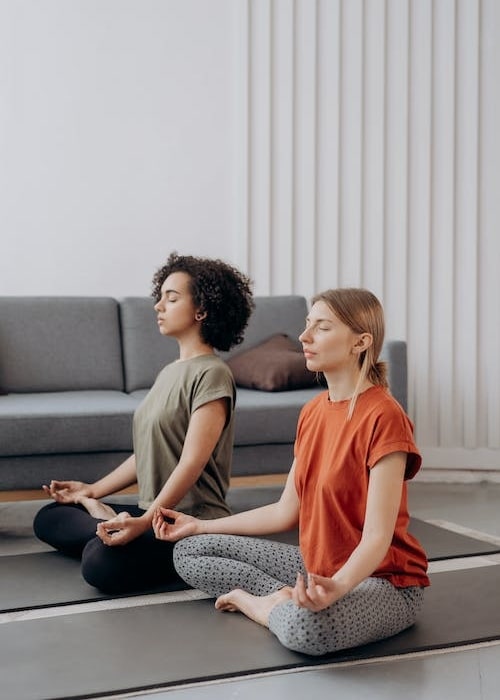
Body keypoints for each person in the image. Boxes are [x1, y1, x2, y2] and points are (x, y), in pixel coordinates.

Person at [152, 287, 430, 656]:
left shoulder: (385, 416)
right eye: (307, 324)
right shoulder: (312, 412)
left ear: (360, 342)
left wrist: (339, 587)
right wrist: (199, 525)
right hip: (315, 565)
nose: (304, 336)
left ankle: (264, 605)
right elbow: (286, 511)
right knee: (190, 551)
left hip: (383, 582)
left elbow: (377, 538)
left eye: (323, 327)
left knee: (307, 630)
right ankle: (285, 597)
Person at [33, 252, 254, 594]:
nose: (158, 306)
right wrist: (92, 490)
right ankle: (107, 521)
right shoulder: (169, 372)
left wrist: (146, 521)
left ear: (202, 310)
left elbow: (192, 461)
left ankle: (113, 528)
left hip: (188, 519)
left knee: (99, 564)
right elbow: (148, 453)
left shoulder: (213, 374)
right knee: (48, 516)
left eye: (172, 297)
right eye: (160, 296)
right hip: (151, 512)